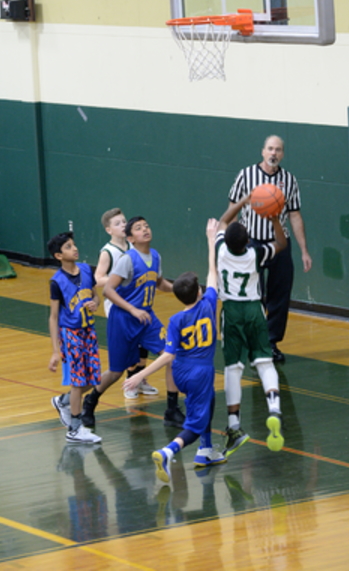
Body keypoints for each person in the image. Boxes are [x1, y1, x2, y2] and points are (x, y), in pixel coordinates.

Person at [123, 219, 226, 483]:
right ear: (200, 291)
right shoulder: (208, 304)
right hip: (201, 371)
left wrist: (140, 374)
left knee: (207, 402)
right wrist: (211, 240)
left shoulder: (176, 320)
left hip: (181, 372)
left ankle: (206, 450)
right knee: (194, 424)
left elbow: (168, 356)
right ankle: (168, 452)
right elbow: (213, 271)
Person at [81, 216, 185, 431]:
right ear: (130, 238)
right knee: (116, 372)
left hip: (146, 319)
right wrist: (132, 309)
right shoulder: (127, 259)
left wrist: (182, 290)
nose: (145, 229)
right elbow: (108, 290)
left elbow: (159, 283)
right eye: (138, 228)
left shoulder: (155, 256)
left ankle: (172, 410)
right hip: (123, 319)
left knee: (172, 355)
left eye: (146, 226)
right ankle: (90, 402)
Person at [228, 135, 312, 363]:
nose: (274, 153)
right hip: (251, 243)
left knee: (280, 295)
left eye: (278, 150)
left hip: (279, 244)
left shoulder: (289, 180)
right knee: (253, 296)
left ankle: (271, 343)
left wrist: (304, 250)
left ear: (282, 154)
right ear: (263, 151)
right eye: (270, 149)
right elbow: (233, 208)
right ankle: (254, 344)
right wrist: (231, 242)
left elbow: (295, 215)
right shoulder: (246, 175)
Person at [216, 197, 287, 455]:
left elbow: (223, 221)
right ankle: (274, 409)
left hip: (232, 311)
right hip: (254, 310)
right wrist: (276, 220)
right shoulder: (256, 253)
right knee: (265, 363)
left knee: (233, 368)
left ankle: (234, 424)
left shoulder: (220, 249)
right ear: (248, 241)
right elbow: (281, 244)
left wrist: (243, 201)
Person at [95, 207, 158, 400]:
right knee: (131, 346)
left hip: (138, 302)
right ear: (109, 230)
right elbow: (98, 278)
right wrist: (121, 278)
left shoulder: (135, 247)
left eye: (124, 221)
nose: (122, 225)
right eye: (117, 223)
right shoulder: (108, 252)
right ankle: (130, 382)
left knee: (142, 344)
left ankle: (139, 378)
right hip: (117, 304)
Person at [47, 231, 102, 445]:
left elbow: (95, 295)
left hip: (89, 331)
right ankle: (75, 429)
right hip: (71, 334)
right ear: (58, 256)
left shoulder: (87, 270)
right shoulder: (57, 282)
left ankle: (63, 401)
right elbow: (53, 317)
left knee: (93, 379)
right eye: (68, 247)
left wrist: (95, 302)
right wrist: (55, 350)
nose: (75, 248)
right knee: (78, 382)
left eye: (74, 244)